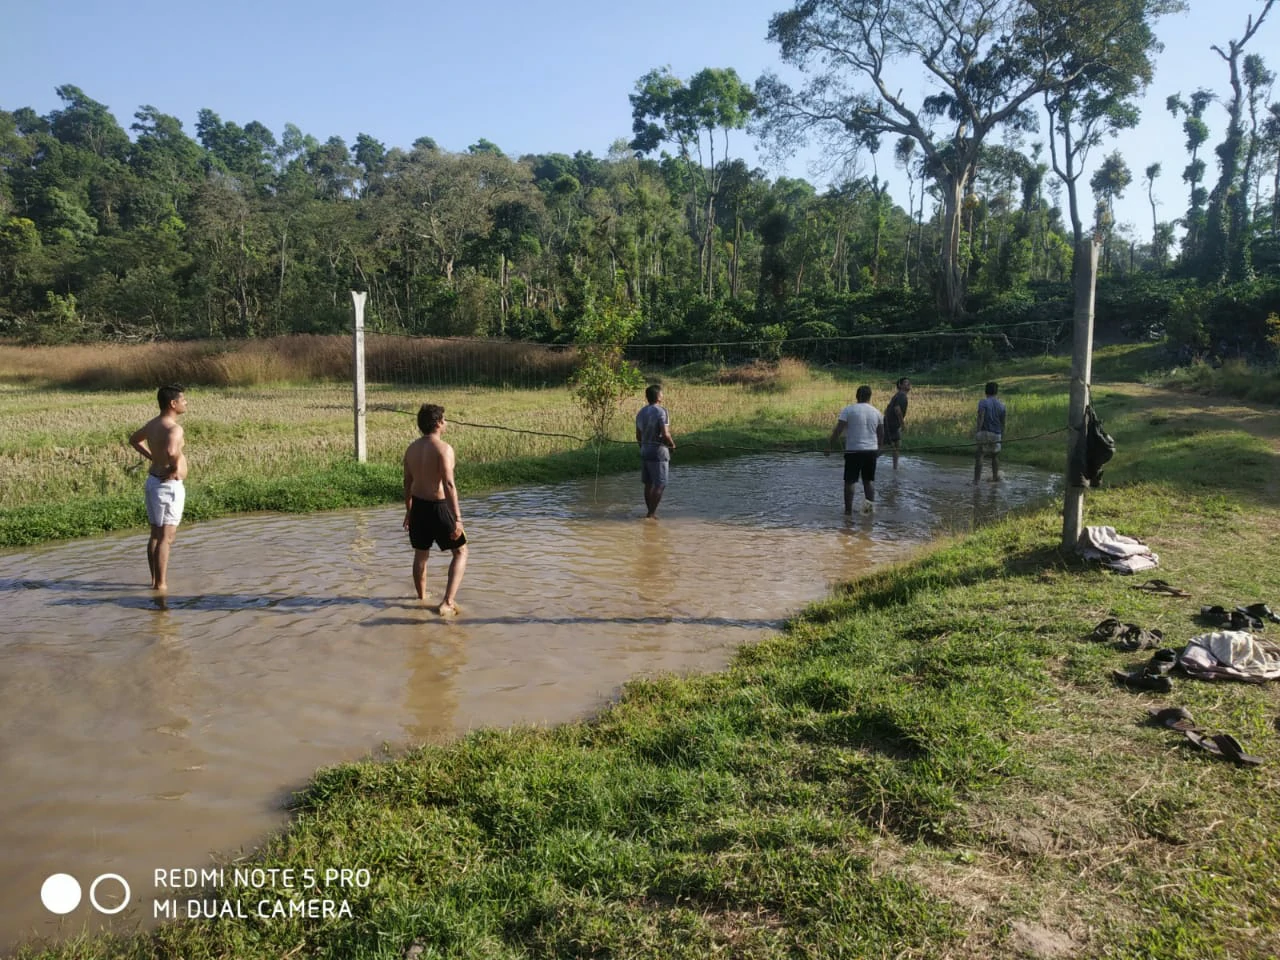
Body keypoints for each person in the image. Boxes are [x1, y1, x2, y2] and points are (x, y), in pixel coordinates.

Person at [403, 403, 468, 616]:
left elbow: (407, 482)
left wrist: (408, 510)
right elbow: (449, 484)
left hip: (418, 507)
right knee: (461, 551)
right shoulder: (444, 449)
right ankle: (448, 602)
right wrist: (457, 518)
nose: (446, 423)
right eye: (445, 419)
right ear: (439, 423)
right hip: (439, 508)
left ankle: (421, 599)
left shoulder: (411, 449)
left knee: (421, 555)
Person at [128, 384, 188, 591]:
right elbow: (172, 450)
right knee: (166, 538)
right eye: (183, 400)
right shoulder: (174, 428)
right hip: (168, 486)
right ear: (173, 403)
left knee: (155, 534)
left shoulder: (153, 424)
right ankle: (161, 587)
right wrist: (174, 466)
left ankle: (154, 580)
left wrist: (154, 458)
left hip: (153, 482)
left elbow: (134, 440)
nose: (185, 403)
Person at [828, 385, 884, 514]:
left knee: (850, 481)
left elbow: (838, 430)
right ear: (870, 397)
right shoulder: (876, 412)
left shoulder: (848, 410)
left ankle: (848, 512)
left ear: (856, 396)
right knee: (868, 481)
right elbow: (881, 433)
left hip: (853, 451)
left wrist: (829, 445)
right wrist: (879, 448)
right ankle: (868, 512)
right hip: (871, 451)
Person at [636, 384, 676, 519]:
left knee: (648, 484)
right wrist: (672, 445)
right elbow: (665, 434)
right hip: (659, 452)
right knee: (660, 484)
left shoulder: (641, 412)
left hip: (645, 451)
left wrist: (642, 448)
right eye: (662, 394)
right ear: (658, 396)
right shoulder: (662, 411)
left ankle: (650, 512)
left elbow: (638, 436)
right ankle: (651, 514)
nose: (663, 395)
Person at [974, 381, 1007, 483]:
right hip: (996, 434)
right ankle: (995, 478)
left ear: (986, 391)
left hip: (984, 432)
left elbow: (981, 417)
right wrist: (1002, 434)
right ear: (996, 392)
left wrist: (977, 431)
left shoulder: (983, 402)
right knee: (995, 457)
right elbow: (1003, 422)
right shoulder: (1002, 405)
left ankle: (976, 481)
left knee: (980, 455)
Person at [883, 376, 911, 469]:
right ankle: (870, 460)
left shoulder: (898, 395)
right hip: (892, 425)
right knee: (886, 446)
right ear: (900, 385)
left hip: (891, 423)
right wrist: (902, 424)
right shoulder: (902, 395)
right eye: (906, 383)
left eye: (909, 382)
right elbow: (897, 409)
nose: (909, 384)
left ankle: (895, 467)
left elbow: (887, 409)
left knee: (896, 444)